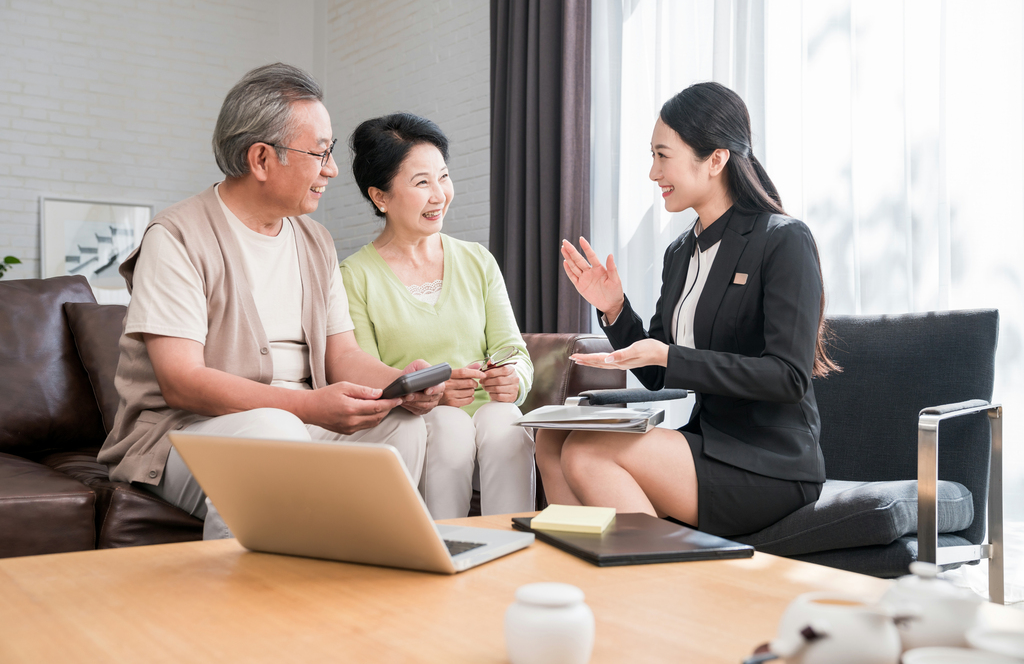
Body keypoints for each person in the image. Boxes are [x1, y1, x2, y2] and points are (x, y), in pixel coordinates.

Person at [98, 64, 443, 540]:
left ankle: (363, 583)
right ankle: (244, 608)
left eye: (331, 151)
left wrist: (401, 385)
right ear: (261, 159)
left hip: (291, 425)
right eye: (319, 153)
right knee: (273, 432)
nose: (332, 169)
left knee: (400, 429)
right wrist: (305, 409)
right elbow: (182, 382)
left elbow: (340, 354)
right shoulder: (177, 236)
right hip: (185, 435)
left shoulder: (315, 240)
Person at [537, 82, 838, 537]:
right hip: (708, 443)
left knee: (586, 452)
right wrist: (615, 309)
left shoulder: (782, 240)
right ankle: (592, 586)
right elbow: (660, 372)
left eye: (663, 156)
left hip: (771, 463)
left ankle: (660, 587)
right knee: (551, 440)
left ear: (715, 159)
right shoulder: (681, 253)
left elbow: (788, 377)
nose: (653, 172)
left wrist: (668, 357)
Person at [341, 113, 536, 519]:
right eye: (421, 183)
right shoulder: (353, 276)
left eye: (443, 177)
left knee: (507, 420)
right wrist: (433, 394)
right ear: (381, 196)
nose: (439, 195)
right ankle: (445, 551)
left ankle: (512, 553)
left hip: (488, 415)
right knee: (451, 426)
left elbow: (512, 349)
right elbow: (361, 373)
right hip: (419, 422)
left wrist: (512, 377)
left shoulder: (477, 260)